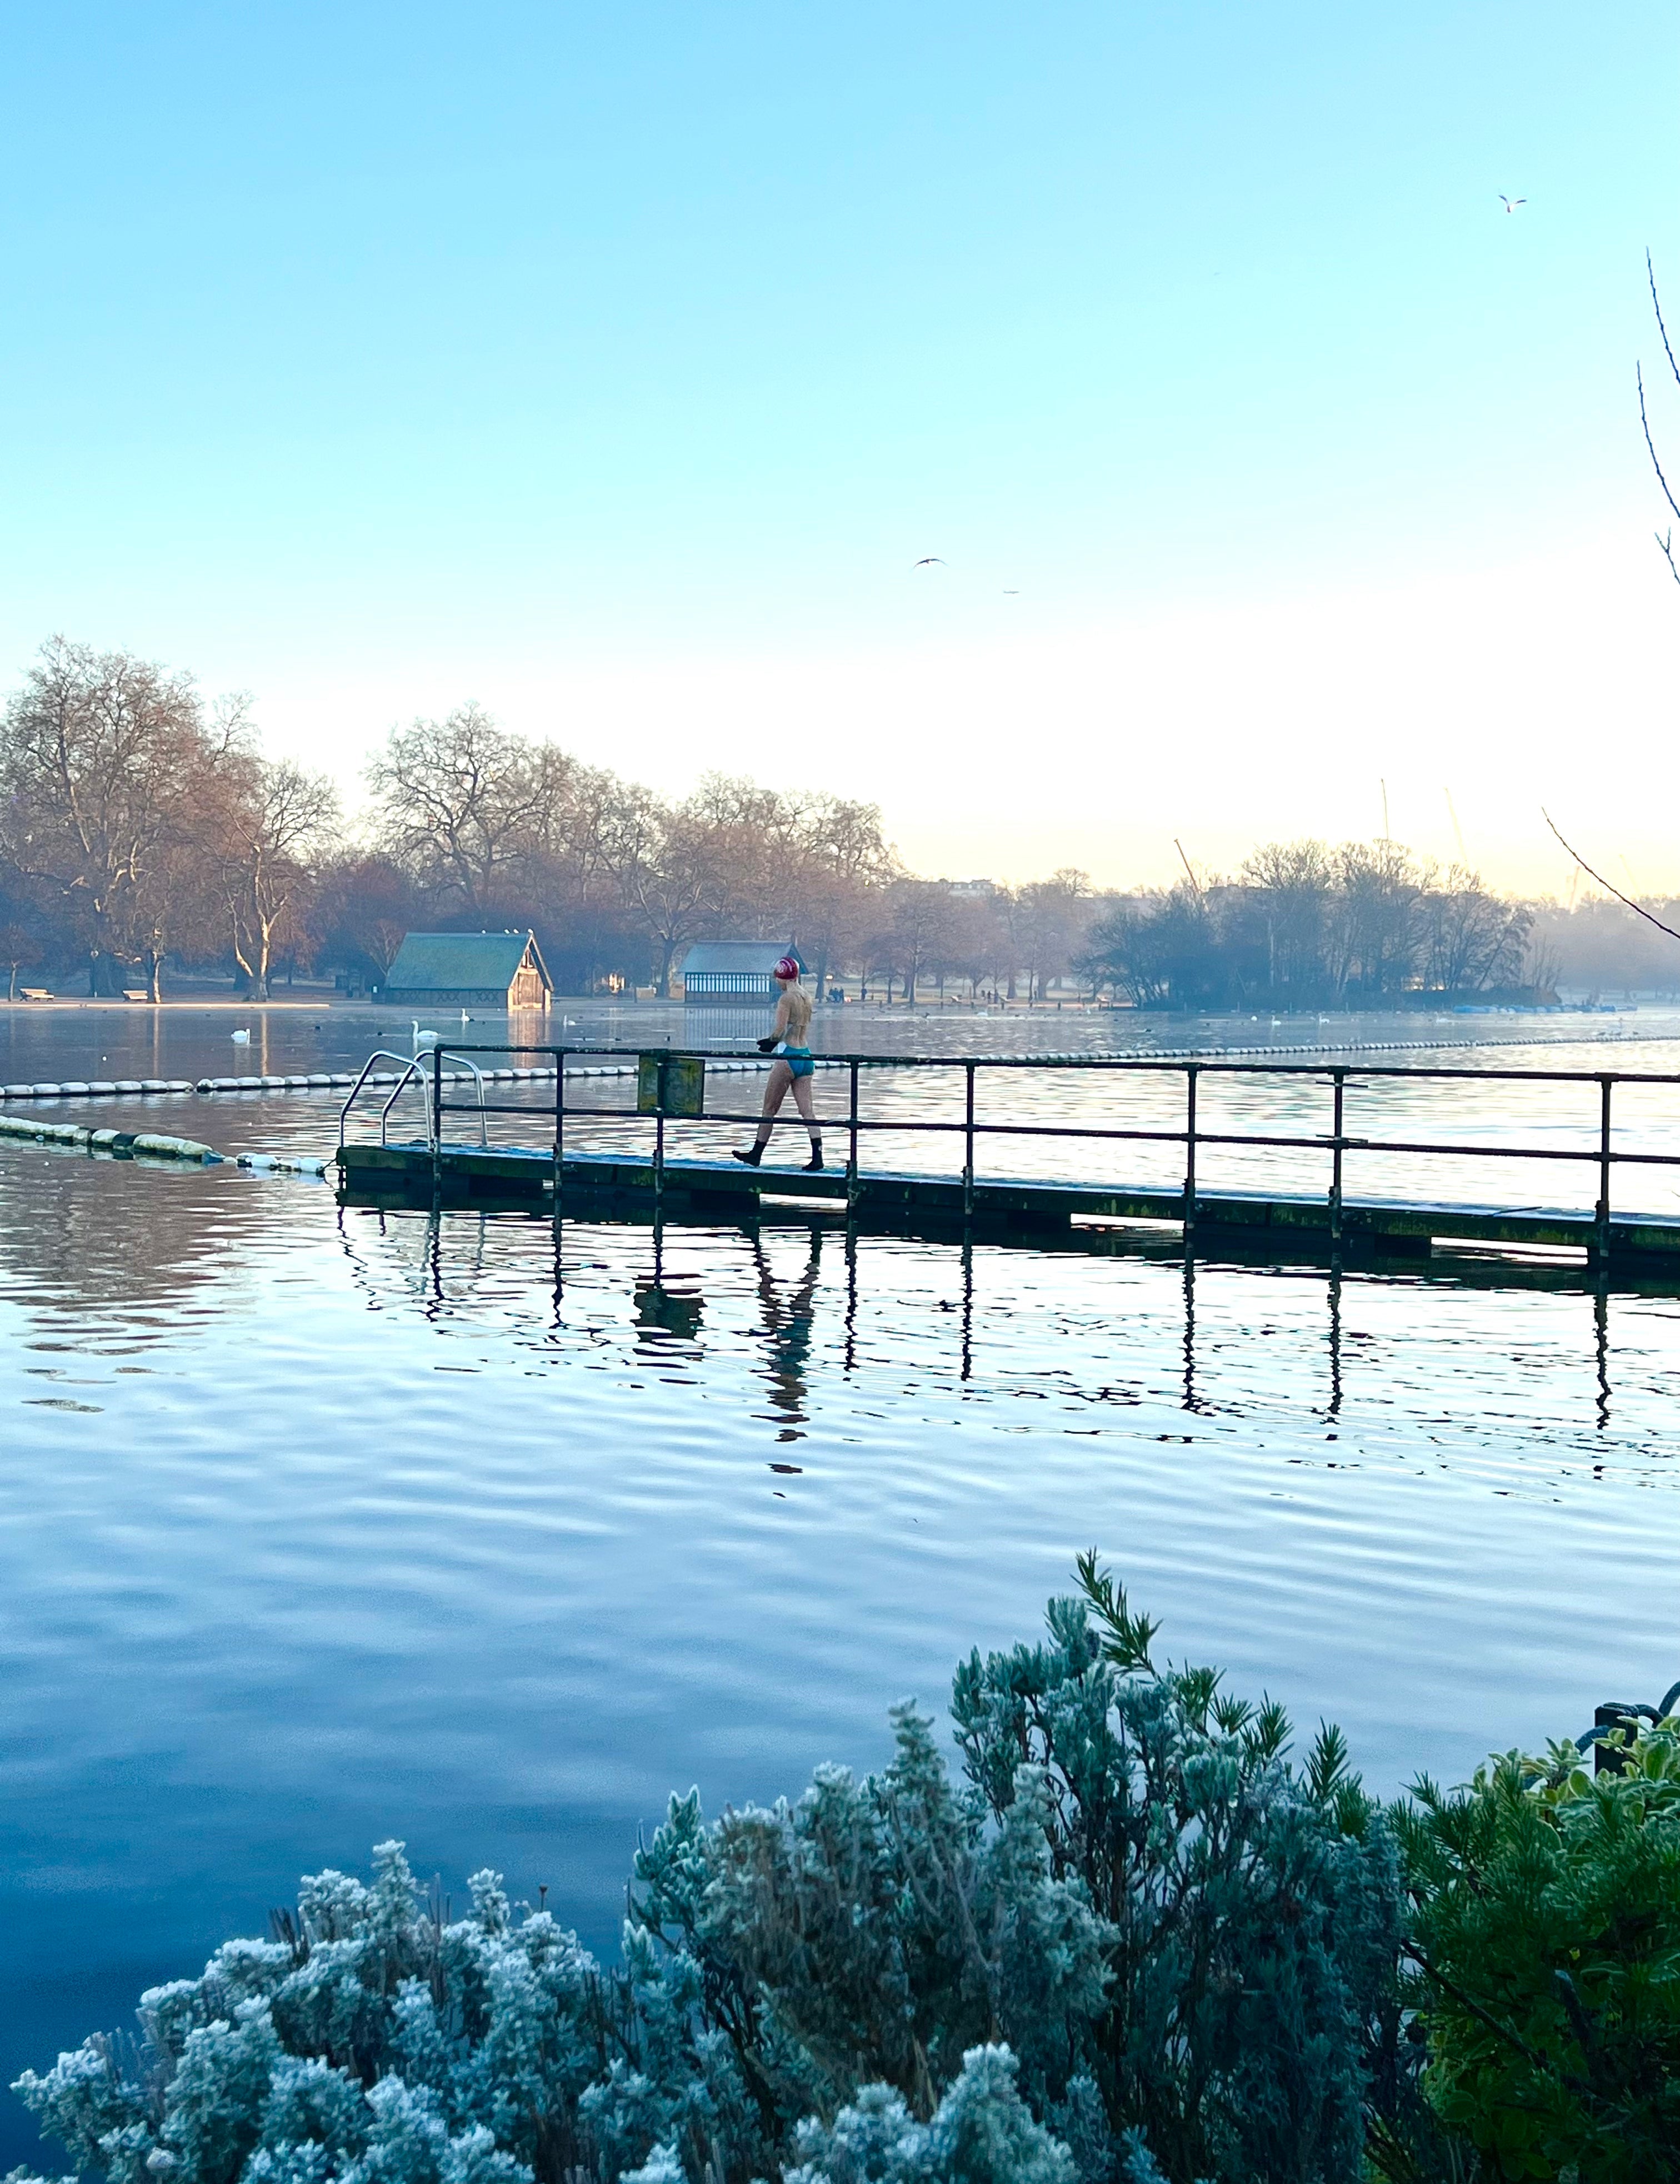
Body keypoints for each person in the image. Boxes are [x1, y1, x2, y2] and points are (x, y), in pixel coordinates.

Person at [733, 956, 822, 1170]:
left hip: (788, 1056)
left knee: (769, 1109)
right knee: (807, 1111)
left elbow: (780, 1030)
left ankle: (756, 1154)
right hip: (806, 1055)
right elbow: (799, 1027)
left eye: (777, 978)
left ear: (781, 976)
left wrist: (769, 1043)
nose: (777, 982)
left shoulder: (786, 999)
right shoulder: (806, 997)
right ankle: (818, 1157)